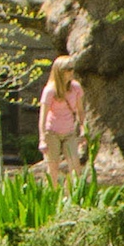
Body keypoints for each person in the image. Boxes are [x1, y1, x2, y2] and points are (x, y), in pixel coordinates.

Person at [38, 55, 88, 185]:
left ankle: (68, 196)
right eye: (69, 69)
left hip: (69, 132)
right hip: (52, 132)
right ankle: (52, 197)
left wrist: (84, 129)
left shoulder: (76, 87)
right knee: (53, 168)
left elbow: (80, 111)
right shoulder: (50, 90)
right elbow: (43, 117)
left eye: (73, 69)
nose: (72, 72)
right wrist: (42, 138)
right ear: (60, 71)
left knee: (75, 167)